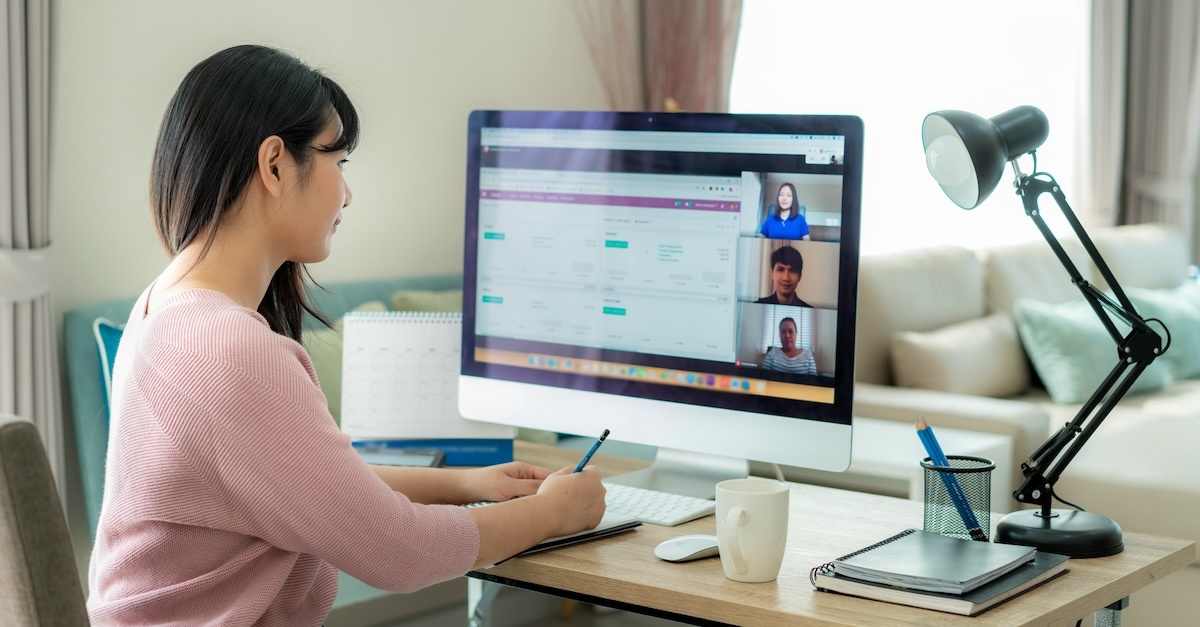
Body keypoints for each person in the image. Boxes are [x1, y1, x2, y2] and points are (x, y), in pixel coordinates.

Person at [86, 45, 606, 627]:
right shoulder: (228, 351)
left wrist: (463, 483)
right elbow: (401, 551)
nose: (348, 193)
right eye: (339, 161)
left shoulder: (166, 305)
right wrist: (554, 514)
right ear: (276, 164)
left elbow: (310, 481)